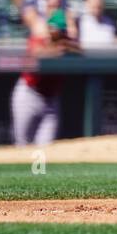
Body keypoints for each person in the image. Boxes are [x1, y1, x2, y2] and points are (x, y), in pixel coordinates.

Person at [11, 10, 77, 145]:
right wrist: (58, 50)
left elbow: (80, 50)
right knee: (22, 144)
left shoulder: (67, 43)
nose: (52, 30)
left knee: (45, 147)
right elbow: (37, 52)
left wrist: (67, 42)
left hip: (51, 100)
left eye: (58, 29)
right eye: (51, 27)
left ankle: (38, 167)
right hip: (28, 94)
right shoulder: (39, 38)